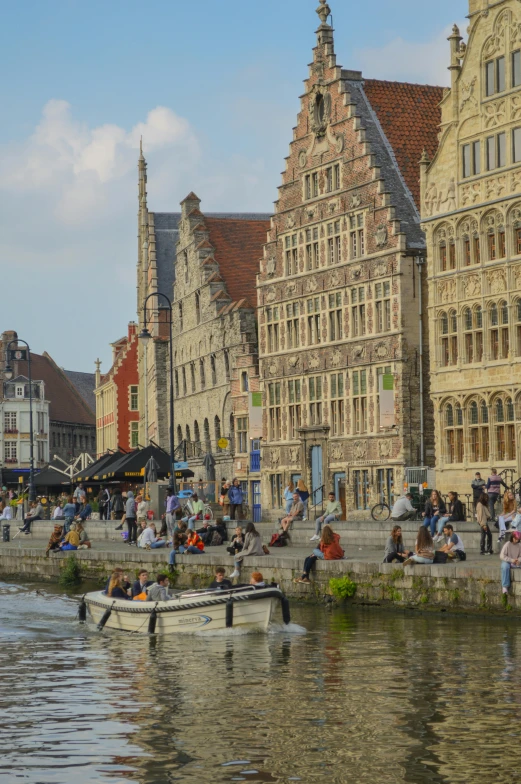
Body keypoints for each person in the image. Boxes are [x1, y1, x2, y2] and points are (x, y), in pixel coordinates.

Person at [476, 491, 493, 556]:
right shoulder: (480, 505)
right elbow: (480, 515)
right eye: (485, 497)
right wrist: (483, 525)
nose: (486, 499)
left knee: (487, 535)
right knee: (484, 536)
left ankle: (487, 549)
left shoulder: (482, 504)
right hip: (483, 522)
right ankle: (483, 550)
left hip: (484, 522)